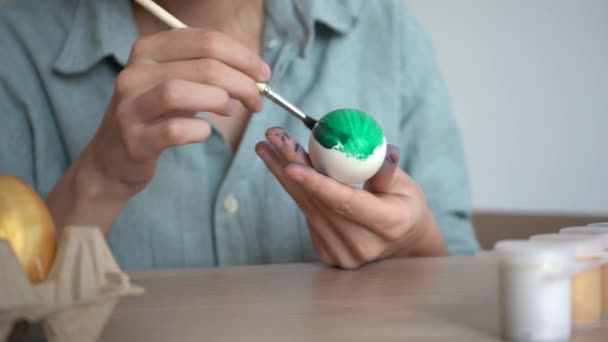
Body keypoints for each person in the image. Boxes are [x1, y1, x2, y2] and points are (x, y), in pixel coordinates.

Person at [0, 0, 480, 270]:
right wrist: (101, 177)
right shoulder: (15, 43)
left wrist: (414, 242)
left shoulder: (382, 30)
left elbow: (460, 276)